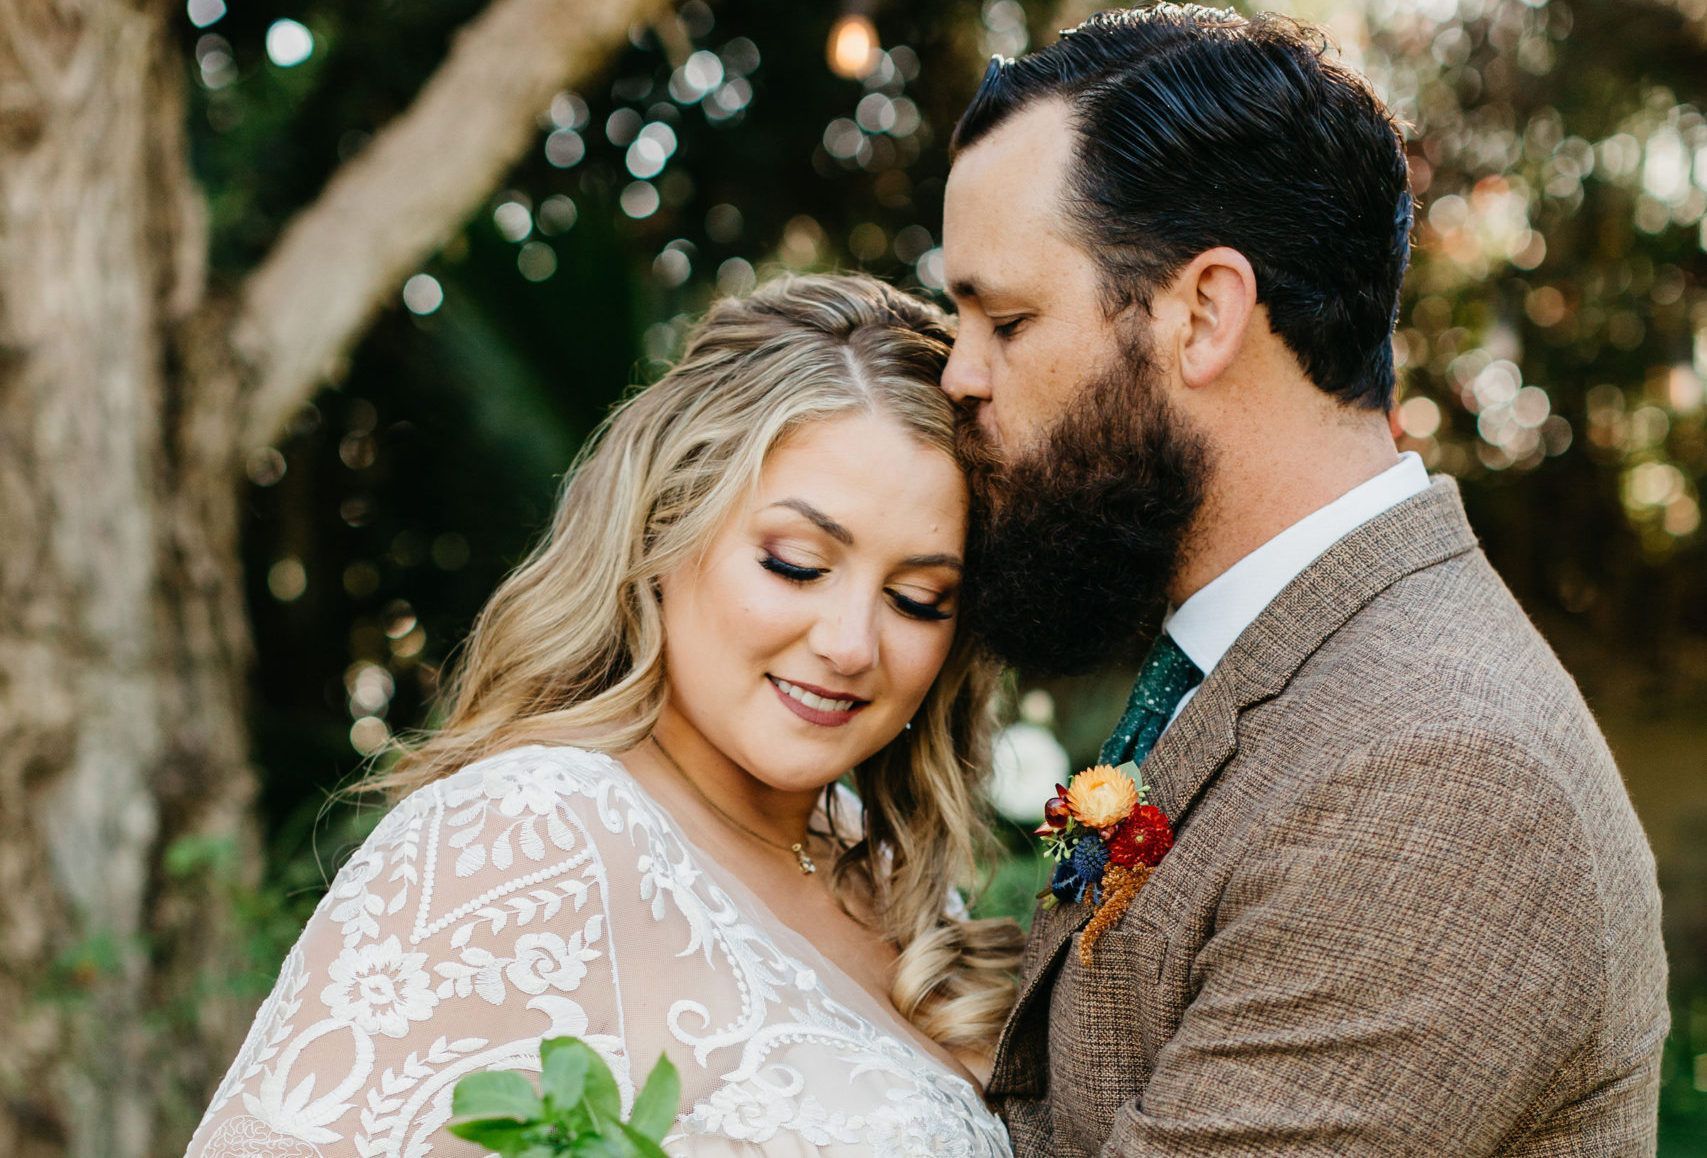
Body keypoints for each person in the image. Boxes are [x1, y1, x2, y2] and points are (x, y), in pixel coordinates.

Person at [940, 6, 1668, 1155]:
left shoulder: (1443, 775)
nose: (958, 375)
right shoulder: (1265, 661)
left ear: (1205, 313)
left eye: (1006, 319)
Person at [186, 274, 1023, 1156]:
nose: (852, 643)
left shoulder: (890, 876)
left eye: (919, 599)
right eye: (794, 563)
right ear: (664, 529)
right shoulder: (526, 833)